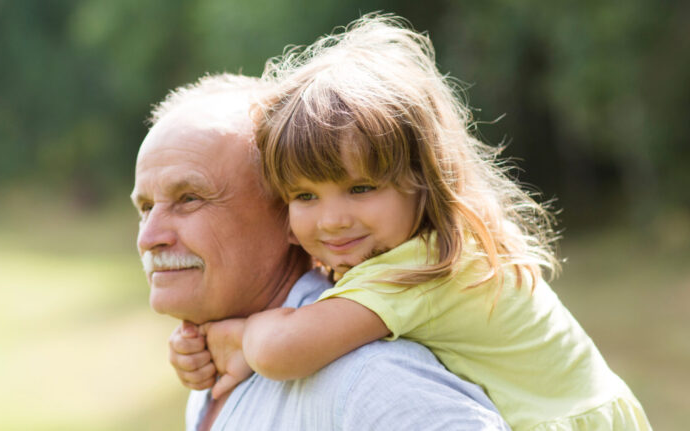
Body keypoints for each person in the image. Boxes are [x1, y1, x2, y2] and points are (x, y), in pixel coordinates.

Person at [174, 15, 652, 431]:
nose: (333, 220)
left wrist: (239, 335)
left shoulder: (418, 270)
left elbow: (284, 351)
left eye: (361, 188)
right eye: (304, 196)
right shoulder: (430, 246)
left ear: (424, 179)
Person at [132, 74, 510, 429]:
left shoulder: (369, 376)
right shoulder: (217, 365)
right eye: (146, 207)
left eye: (189, 198)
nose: (149, 237)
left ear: (289, 214)